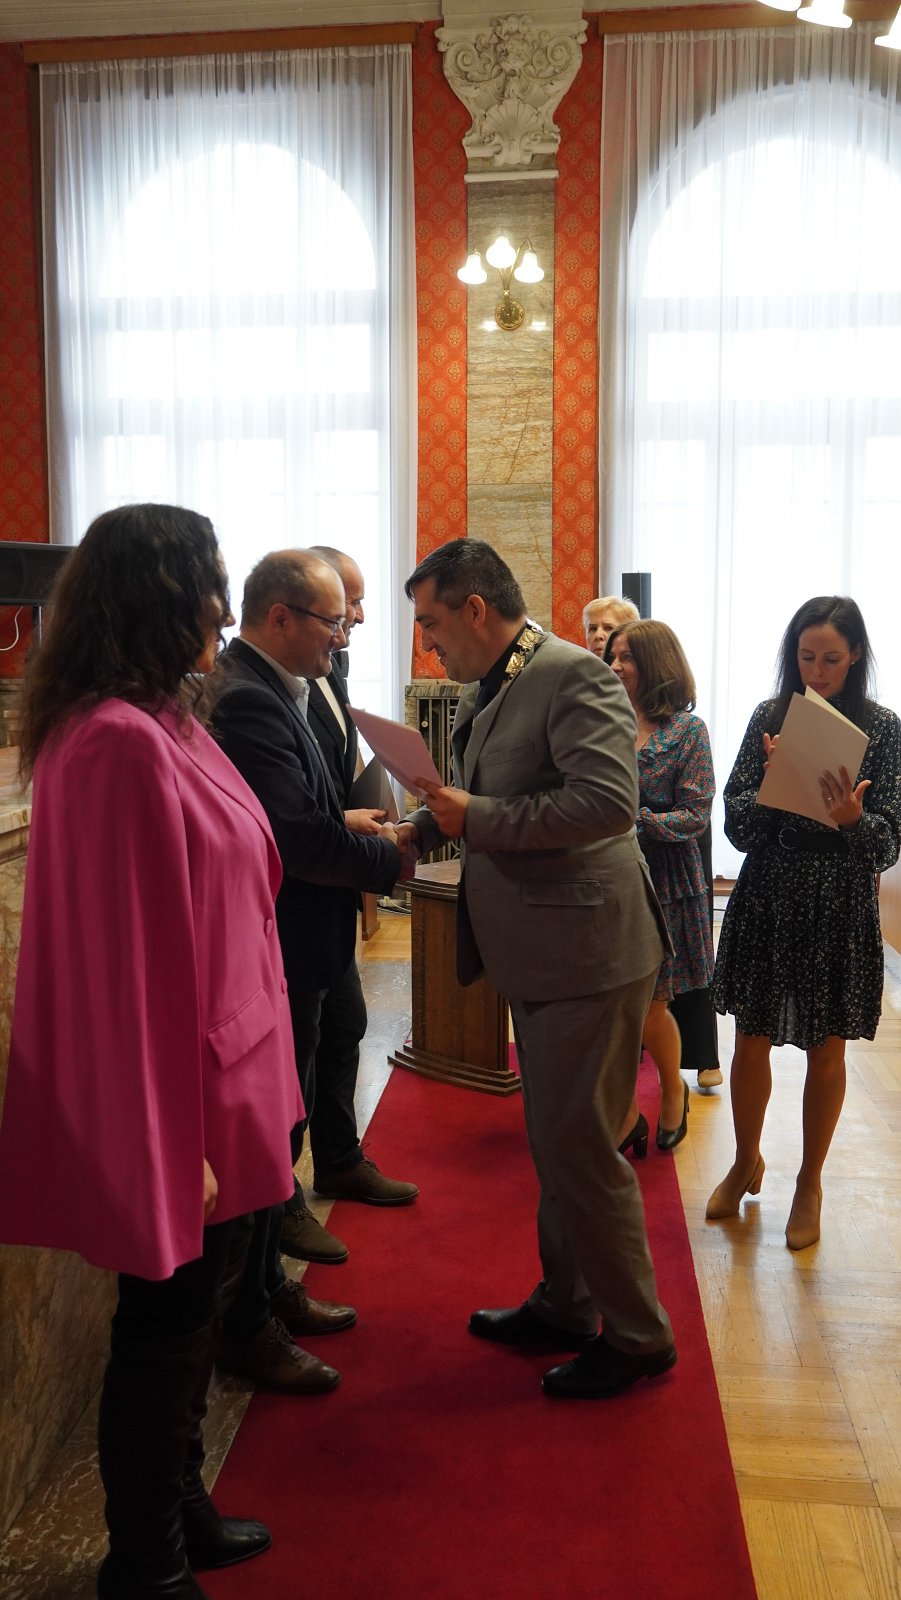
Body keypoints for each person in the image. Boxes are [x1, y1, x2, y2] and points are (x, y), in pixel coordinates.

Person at [0, 504, 302, 1599]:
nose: (222, 608)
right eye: (208, 585)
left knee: (195, 1314)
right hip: (186, 1093)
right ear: (159, 598)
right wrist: (173, 1143)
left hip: (232, 1066)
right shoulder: (115, 739)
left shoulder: (165, 717)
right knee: (164, 1328)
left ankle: (181, 1503)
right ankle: (146, 1561)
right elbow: (125, 966)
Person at [398, 538, 675, 1401]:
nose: (427, 643)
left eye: (432, 623)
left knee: (580, 1148)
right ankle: (566, 1304)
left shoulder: (570, 674)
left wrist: (474, 815)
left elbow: (606, 804)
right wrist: (421, 825)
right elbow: (494, 795)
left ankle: (638, 1337)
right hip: (550, 946)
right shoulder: (501, 679)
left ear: (476, 608)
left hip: (587, 951)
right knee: (559, 1140)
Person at [211, 550, 405, 1390]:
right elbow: (291, 839)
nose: (343, 633)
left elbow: (296, 811)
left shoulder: (271, 684)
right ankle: (249, 1318)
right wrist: (396, 857)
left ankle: (265, 1291)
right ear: (281, 616)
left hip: (299, 941)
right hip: (282, 945)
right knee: (269, 1144)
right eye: (332, 619)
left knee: (282, 1129)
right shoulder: (247, 697)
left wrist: (344, 818)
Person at [708, 596, 901, 1250]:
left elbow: (887, 844)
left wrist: (853, 820)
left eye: (831, 660)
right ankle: (744, 1160)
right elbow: (735, 825)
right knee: (749, 1039)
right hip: (769, 889)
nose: (816, 672)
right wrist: (772, 785)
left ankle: (809, 1182)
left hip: (838, 900)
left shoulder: (882, 728)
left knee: (827, 1049)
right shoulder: (771, 716)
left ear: (856, 657)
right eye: (806, 657)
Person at [304, 544, 418, 1206]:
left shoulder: (332, 665)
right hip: (300, 896)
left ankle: (340, 1159)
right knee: (304, 1048)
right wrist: (391, 854)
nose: (362, 616)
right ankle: (285, 1202)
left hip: (334, 890)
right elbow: (290, 810)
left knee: (345, 1025)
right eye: (351, 601)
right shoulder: (263, 691)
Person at [604, 620, 716, 1154]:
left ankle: (673, 1091)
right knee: (611, 1008)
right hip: (606, 878)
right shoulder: (601, 720)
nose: (614, 666)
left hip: (665, 883)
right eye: (613, 656)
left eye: (626, 657)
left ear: (656, 664)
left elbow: (695, 815)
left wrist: (634, 820)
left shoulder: (688, 731)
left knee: (650, 1006)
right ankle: (623, 1113)